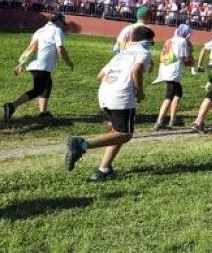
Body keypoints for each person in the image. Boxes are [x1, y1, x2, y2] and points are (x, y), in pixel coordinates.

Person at [64, 26, 155, 181]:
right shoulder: (144, 52)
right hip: (122, 95)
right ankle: (82, 145)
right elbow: (136, 70)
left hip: (105, 93)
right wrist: (140, 91)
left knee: (116, 133)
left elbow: (101, 75)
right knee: (125, 135)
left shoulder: (121, 54)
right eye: (152, 43)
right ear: (148, 41)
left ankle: (103, 169)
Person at [4, 13, 74, 121]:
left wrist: (21, 64)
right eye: (62, 24)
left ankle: (43, 113)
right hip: (42, 65)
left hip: (33, 63)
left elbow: (31, 48)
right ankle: (12, 106)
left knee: (47, 84)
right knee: (38, 89)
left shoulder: (39, 31)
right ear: (58, 21)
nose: (62, 26)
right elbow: (60, 49)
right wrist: (69, 62)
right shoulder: (57, 30)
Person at [151, 24, 193, 130]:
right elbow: (186, 59)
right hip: (173, 71)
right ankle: (159, 121)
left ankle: (173, 118)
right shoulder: (182, 41)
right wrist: (191, 58)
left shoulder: (169, 40)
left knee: (178, 93)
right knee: (169, 96)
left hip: (166, 68)